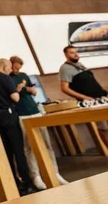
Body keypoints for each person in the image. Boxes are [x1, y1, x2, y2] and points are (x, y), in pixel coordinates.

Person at [59, 46, 108, 167]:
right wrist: (84, 97)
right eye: (72, 53)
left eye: (76, 52)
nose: (76, 54)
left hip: (102, 99)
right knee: (104, 128)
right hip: (92, 102)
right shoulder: (65, 69)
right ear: (66, 55)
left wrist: (104, 92)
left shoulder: (80, 65)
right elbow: (64, 88)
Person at [9, 56, 68, 189]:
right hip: (22, 114)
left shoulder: (24, 76)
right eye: (15, 67)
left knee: (47, 144)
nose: (17, 70)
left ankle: (55, 172)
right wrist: (18, 89)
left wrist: (31, 90)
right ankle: (36, 176)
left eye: (19, 67)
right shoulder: (8, 78)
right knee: (28, 147)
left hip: (34, 110)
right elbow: (11, 97)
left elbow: (34, 92)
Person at [0, 59, 38, 196]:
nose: (10, 70)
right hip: (9, 115)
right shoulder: (5, 78)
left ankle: (14, 184)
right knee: (18, 150)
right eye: (9, 67)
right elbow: (15, 98)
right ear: (4, 66)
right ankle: (28, 184)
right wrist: (17, 91)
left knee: (7, 152)